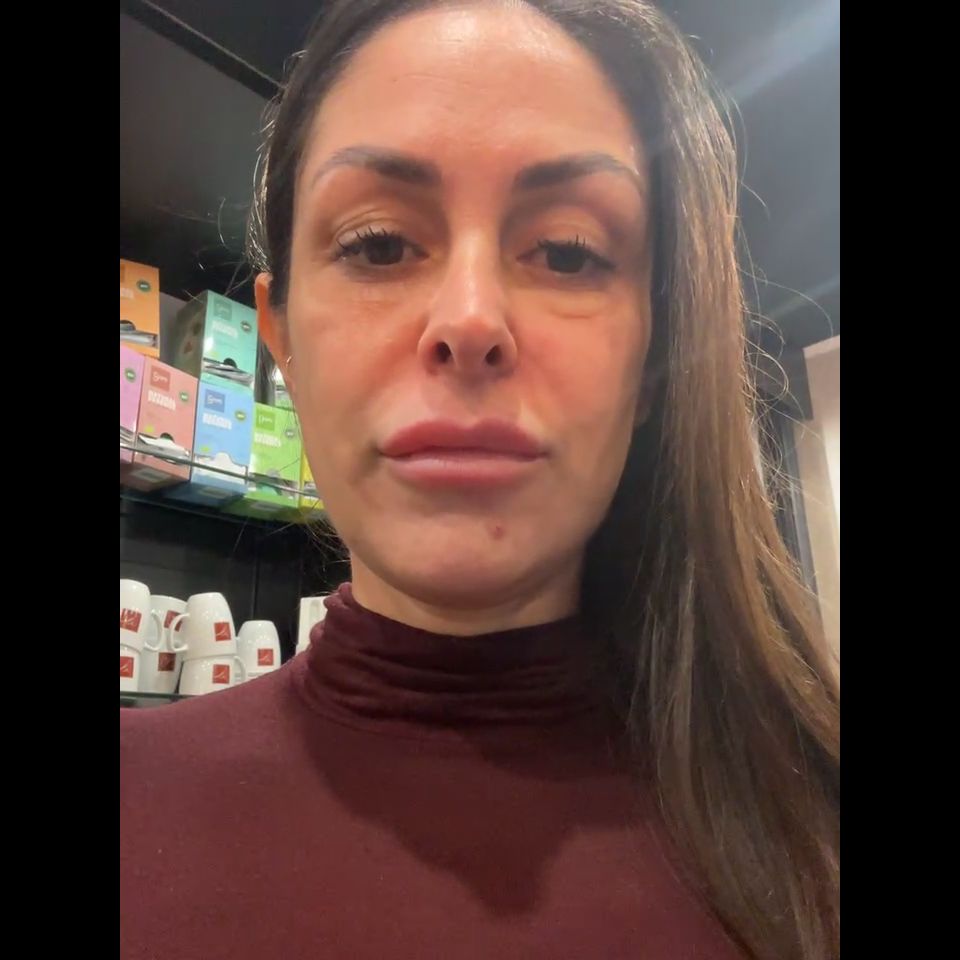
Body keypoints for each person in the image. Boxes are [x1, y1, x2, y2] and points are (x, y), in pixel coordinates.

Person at [120, 2, 840, 958]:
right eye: (379, 243)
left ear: (653, 352)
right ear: (279, 337)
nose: (469, 319)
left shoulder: (817, 827)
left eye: (568, 252)